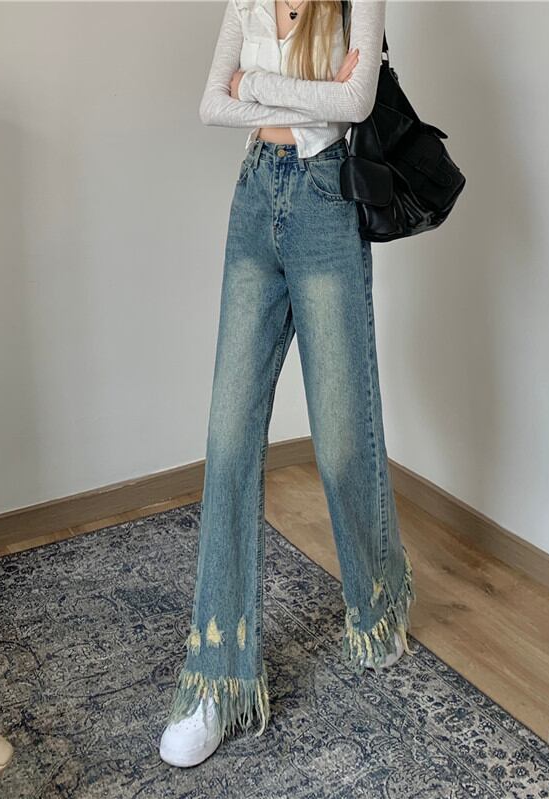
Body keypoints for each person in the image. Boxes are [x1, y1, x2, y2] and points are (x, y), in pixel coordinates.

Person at [159, 0, 415, 768]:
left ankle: (378, 598)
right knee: (228, 438)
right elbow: (211, 104)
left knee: (340, 443)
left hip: (327, 202)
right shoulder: (246, 1)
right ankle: (217, 676)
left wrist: (257, 85)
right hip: (254, 200)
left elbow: (356, 103)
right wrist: (307, 93)